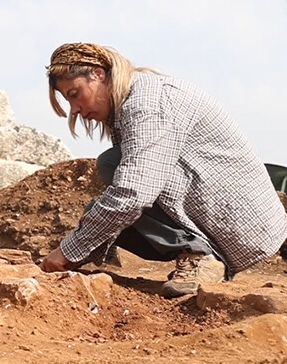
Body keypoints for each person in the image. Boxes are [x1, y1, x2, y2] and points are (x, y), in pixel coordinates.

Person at [39, 43, 287, 297]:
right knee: (105, 192)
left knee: (116, 170)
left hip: (243, 224)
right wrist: (83, 244)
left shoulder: (148, 104)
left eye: (74, 93)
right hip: (232, 218)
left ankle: (201, 255)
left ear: (98, 74)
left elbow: (133, 192)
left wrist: (71, 249)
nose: (75, 109)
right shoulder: (134, 101)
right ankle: (195, 249)